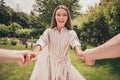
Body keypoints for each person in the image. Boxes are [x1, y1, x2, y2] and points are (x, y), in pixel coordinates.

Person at [30, 5, 86, 80]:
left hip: (64, 67)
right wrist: (35, 52)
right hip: (50, 66)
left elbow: (75, 42)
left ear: (67, 17)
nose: (61, 17)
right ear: (55, 17)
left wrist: (79, 52)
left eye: (64, 15)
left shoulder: (71, 33)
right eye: (58, 15)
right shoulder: (49, 32)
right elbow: (42, 40)